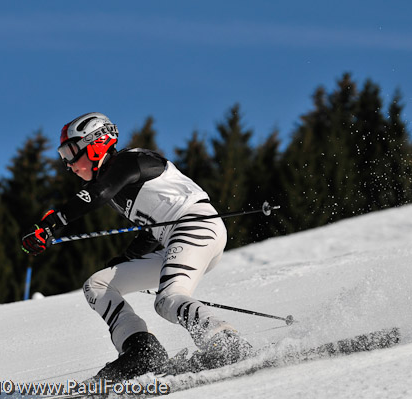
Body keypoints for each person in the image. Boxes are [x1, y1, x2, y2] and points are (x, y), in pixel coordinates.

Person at [21, 112, 251, 379]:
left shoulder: (131, 161)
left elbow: (99, 192)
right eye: (64, 157)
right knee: (98, 285)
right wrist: (126, 258)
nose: (69, 164)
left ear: (95, 143)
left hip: (196, 225)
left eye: (71, 152)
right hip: (176, 238)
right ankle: (141, 351)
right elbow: (152, 232)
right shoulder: (116, 186)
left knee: (168, 299)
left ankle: (224, 340)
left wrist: (50, 224)